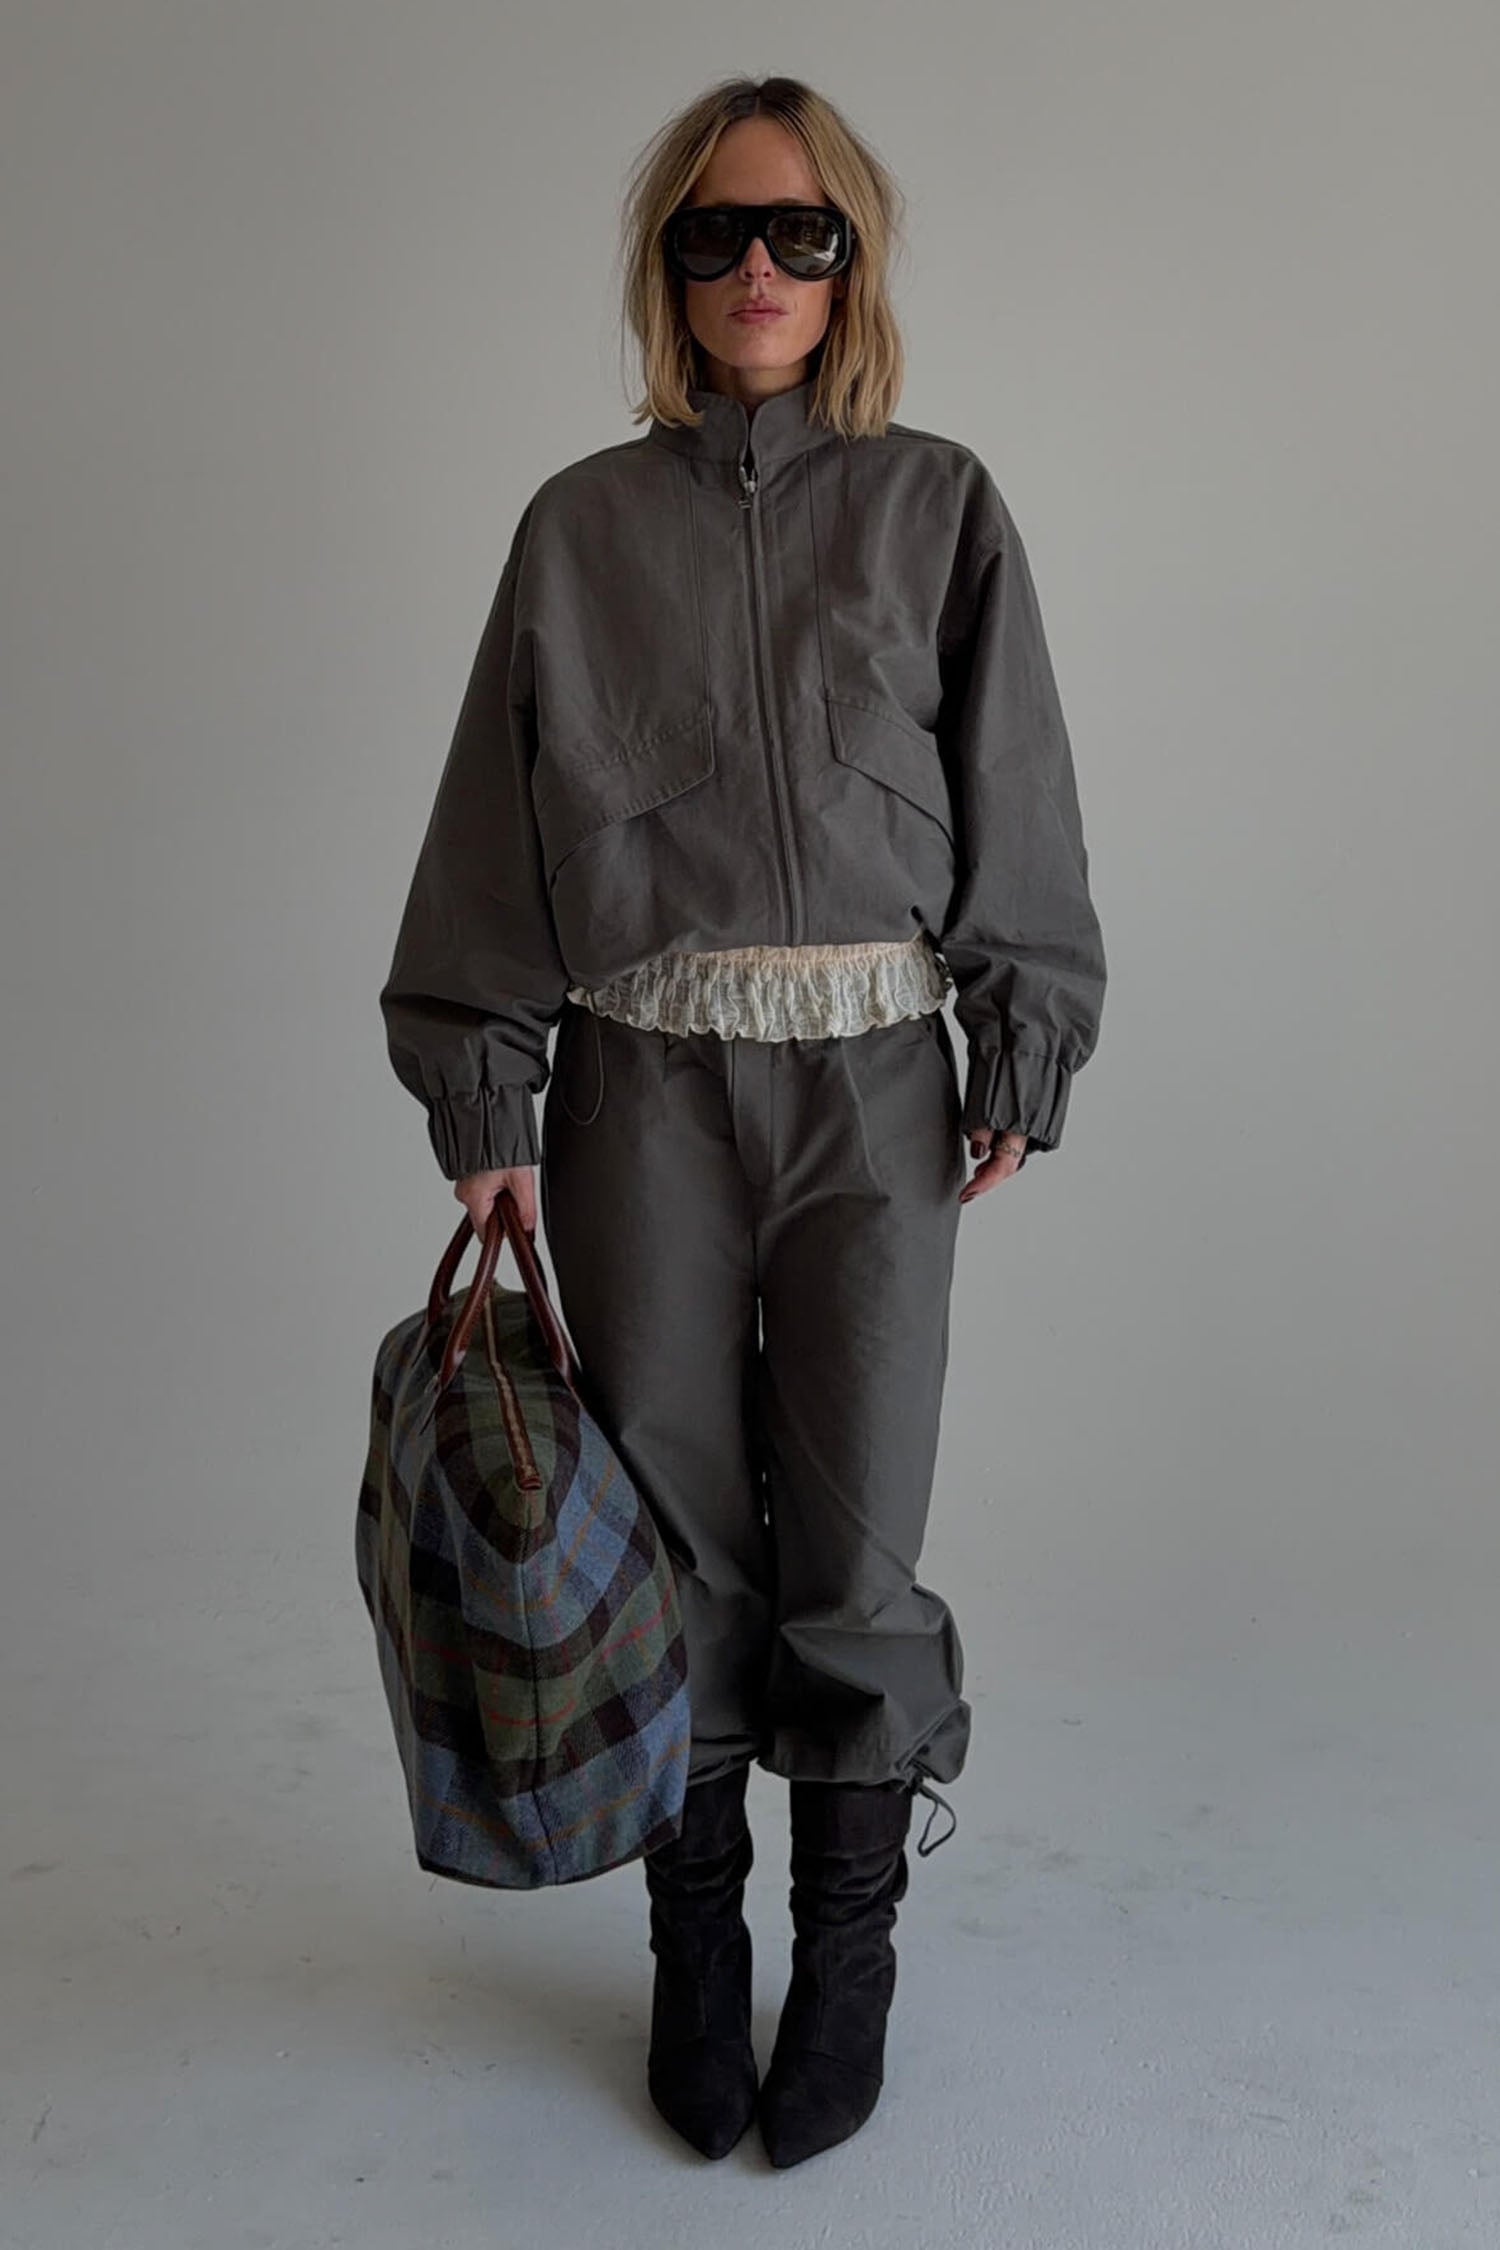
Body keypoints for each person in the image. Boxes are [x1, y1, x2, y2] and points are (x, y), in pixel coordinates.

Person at [379, 73, 1107, 2169]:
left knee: (858, 1534)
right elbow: (491, 823)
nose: (759, 270)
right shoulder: (577, 530)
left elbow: (1018, 784)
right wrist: (487, 1080)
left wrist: (1024, 1031)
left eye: (802, 233)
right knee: (673, 1526)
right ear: (667, 268)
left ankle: (845, 1958)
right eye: (715, 233)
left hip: (877, 1091)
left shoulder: (941, 507)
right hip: (641, 1098)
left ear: (853, 260)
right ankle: (695, 1953)